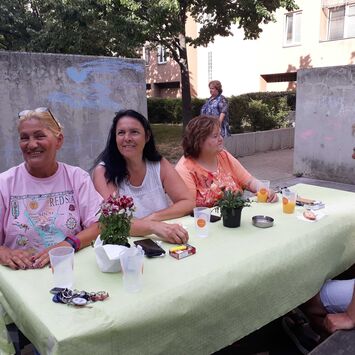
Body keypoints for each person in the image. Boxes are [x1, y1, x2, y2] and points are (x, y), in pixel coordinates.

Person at [0, 108, 102, 270]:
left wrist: (68, 244)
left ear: (59, 140)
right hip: (20, 277)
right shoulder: (5, 183)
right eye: (24, 138)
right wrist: (2, 252)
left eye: (40, 136)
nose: (32, 144)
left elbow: (99, 225)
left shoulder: (77, 178)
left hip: (69, 271)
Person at [92, 109, 194, 244]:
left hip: (165, 240)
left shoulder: (159, 164)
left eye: (134, 132)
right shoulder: (103, 172)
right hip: (125, 247)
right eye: (121, 132)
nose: (127, 138)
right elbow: (113, 221)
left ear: (147, 137)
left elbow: (188, 202)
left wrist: (154, 217)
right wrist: (153, 226)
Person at [175, 115, 278, 207]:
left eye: (220, 134)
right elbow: (188, 208)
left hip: (235, 220)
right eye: (215, 136)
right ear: (199, 142)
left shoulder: (223, 156)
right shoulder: (185, 168)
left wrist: (263, 189)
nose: (220, 139)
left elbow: (250, 181)